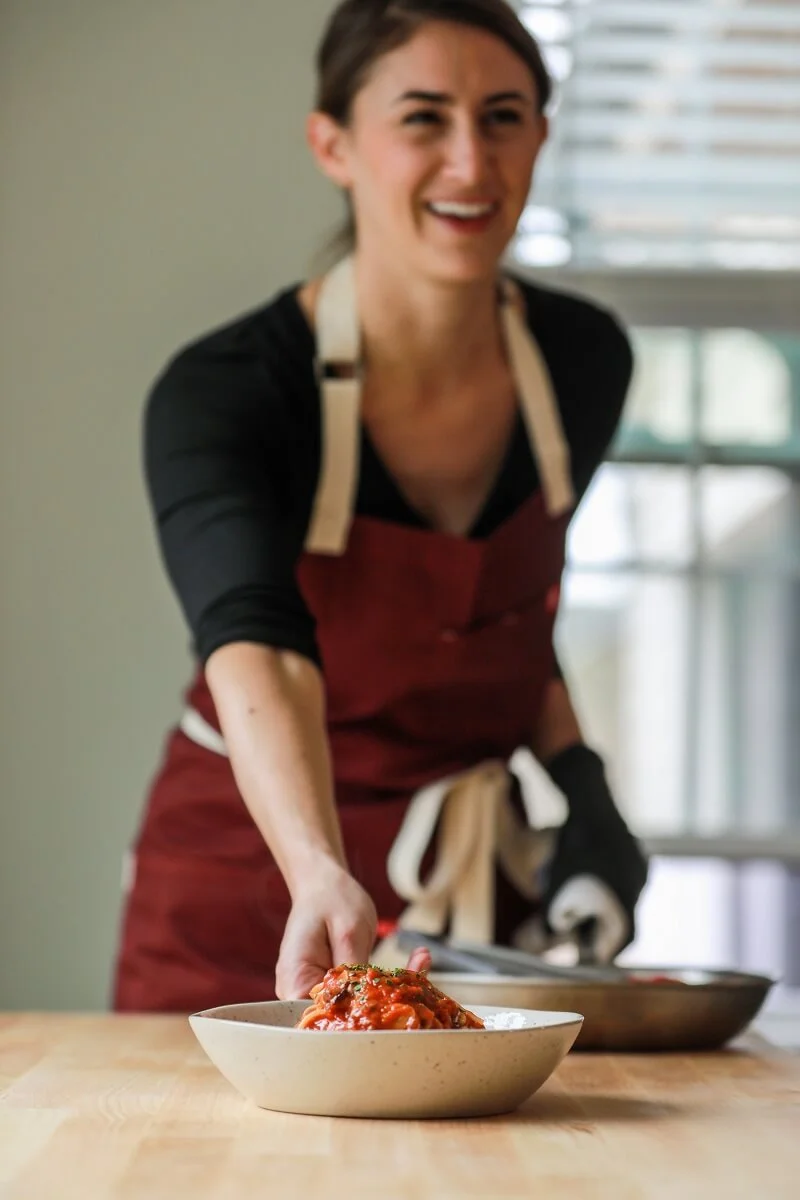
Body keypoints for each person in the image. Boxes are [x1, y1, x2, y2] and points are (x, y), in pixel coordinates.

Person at [112, 0, 648, 1014]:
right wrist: (318, 865)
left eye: (502, 116)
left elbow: (503, 619)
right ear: (333, 144)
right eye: (420, 118)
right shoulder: (229, 390)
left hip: (462, 901)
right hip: (245, 886)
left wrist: (582, 787)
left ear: (541, 133)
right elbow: (258, 646)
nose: (468, 163)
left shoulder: (582, 361)